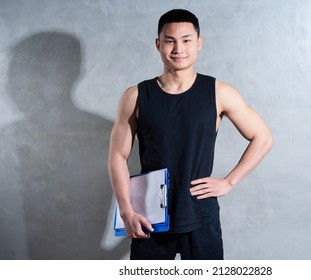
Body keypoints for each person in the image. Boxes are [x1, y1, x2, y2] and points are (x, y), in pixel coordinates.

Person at [107, 9, 273, 260]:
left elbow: (263, 137)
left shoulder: (219, 92)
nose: (178, 49)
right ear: (158, 44)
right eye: (169, 41)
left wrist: (229, 182)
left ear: (198, 43)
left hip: (199, 214)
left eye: (186, 40)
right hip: (149, 218)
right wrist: (126, 211)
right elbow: (117, 156)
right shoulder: (136, 96)